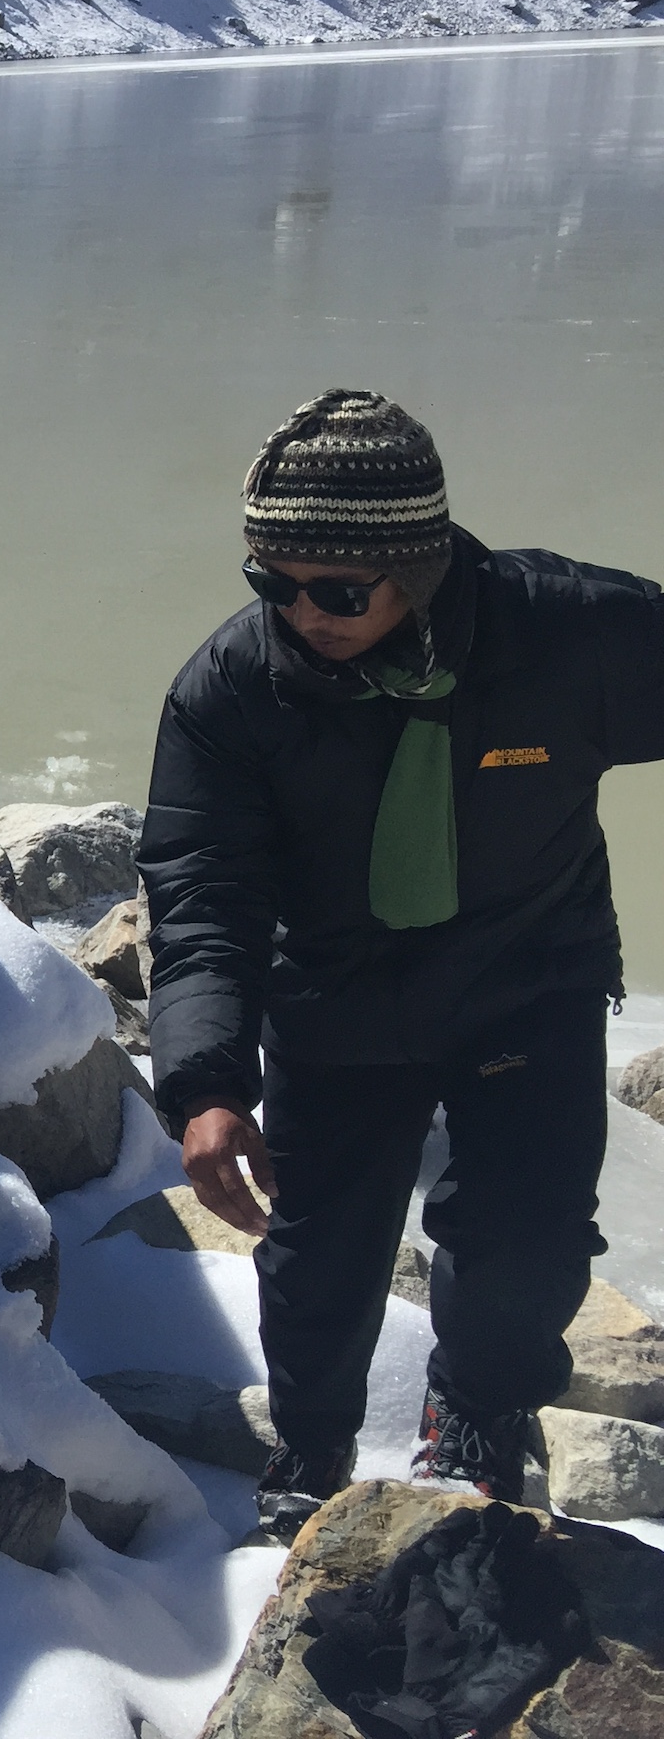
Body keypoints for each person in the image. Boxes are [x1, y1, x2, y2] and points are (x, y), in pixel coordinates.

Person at [138, 388, 664, 1544]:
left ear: (416, 567)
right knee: (319, 1251)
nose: (300, 614)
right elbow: (200, 888)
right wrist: (208, 1081)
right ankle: (310, 1453)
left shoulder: (569, 633)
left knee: (524, 1241)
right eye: (269, 582)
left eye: (334, 591)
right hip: (336, 1001)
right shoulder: (231, 690)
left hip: (532, 979)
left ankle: (477, 1419)